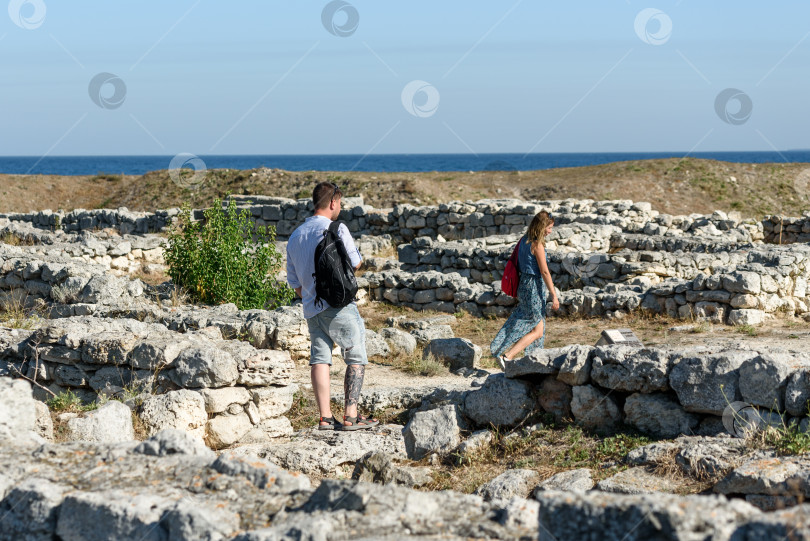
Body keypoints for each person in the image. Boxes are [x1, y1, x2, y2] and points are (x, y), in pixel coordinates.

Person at [286, 182, 378, 431]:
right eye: (340, 203)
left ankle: (325, 418)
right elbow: (356, 263)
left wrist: (312, 294)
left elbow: (294, 283)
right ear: (333, 202)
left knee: (319, 359)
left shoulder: (295, 236)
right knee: (356, 356)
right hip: (340, 306)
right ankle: (351, 415)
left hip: (311, 307)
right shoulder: (336, 228)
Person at [490, 210, 560, 368]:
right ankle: (507, 356)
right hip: (534, 286)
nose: (550, 231)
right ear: (542, 227)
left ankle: (532, 361)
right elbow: (544, 271)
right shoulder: (537, 245)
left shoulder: (524, 240)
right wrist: (554, 295)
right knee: (535, 328)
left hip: (524, 284)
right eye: (549, 228)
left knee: (538, 329)